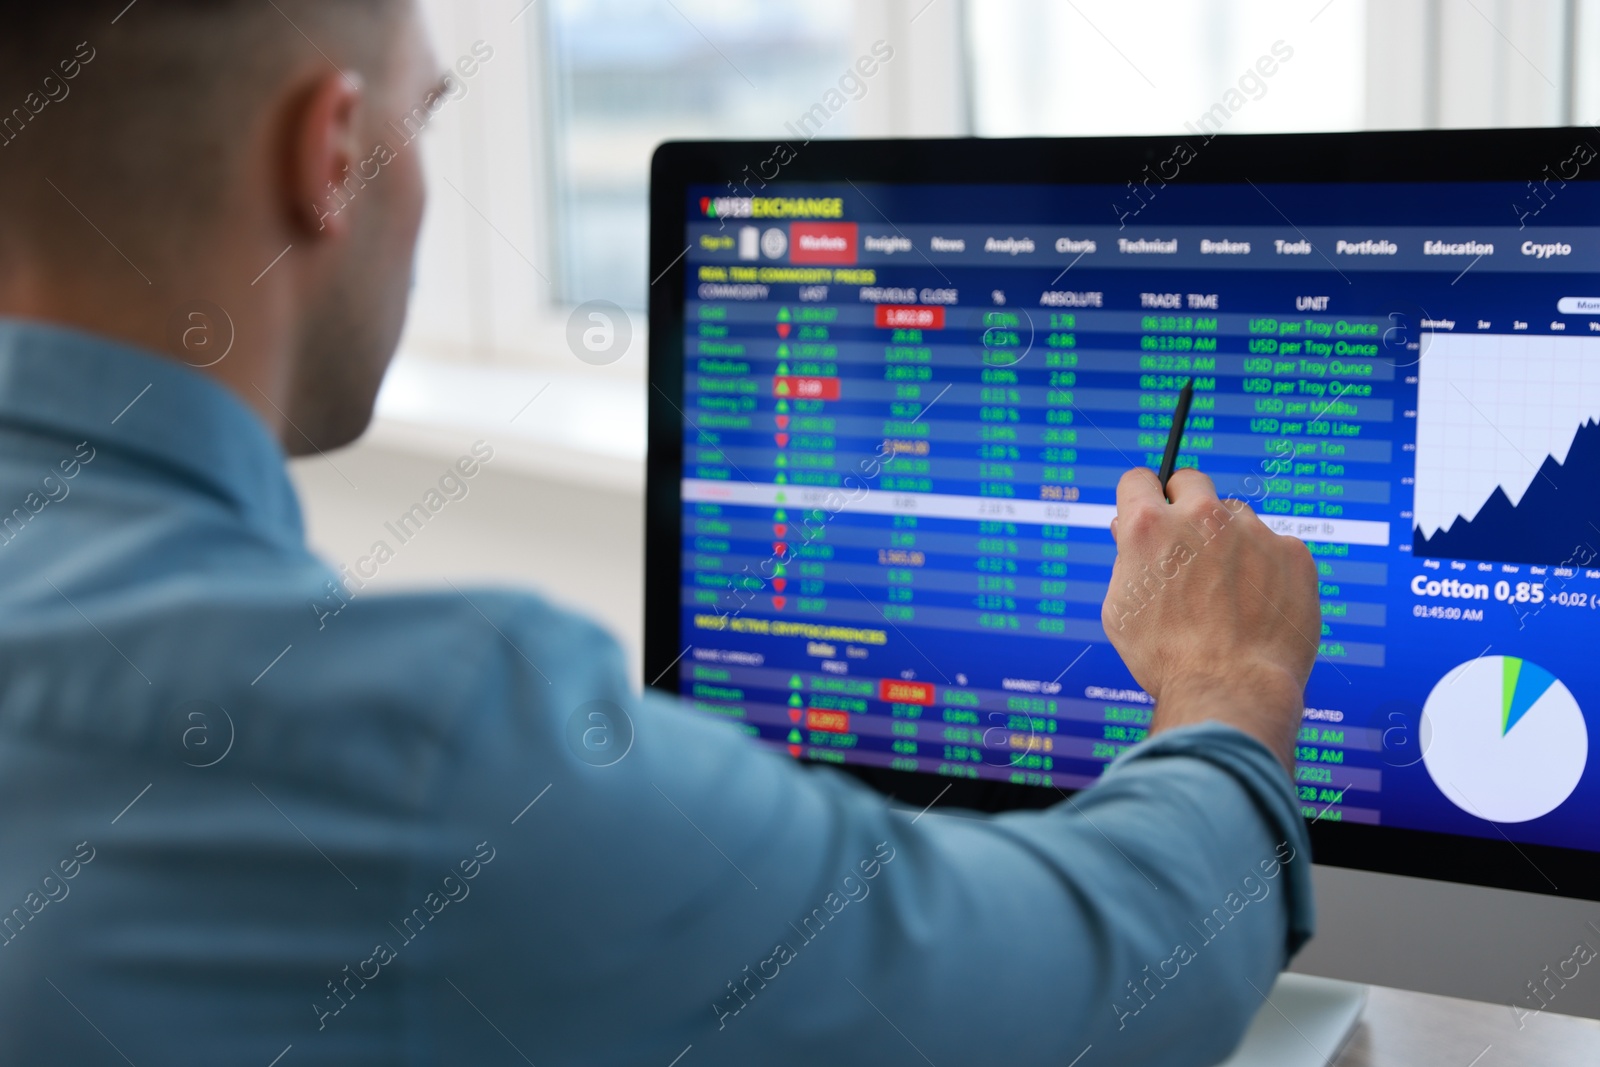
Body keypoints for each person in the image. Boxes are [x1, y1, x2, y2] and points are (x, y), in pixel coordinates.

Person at [0, 2, 1321, 1064]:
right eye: (429, 116)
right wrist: (1226, 682)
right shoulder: (428, 739)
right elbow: (1092, 994)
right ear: (333, 156)